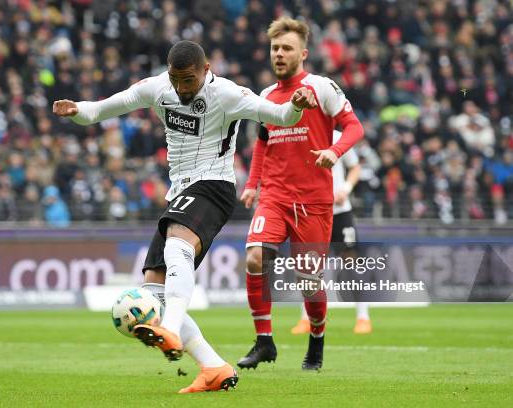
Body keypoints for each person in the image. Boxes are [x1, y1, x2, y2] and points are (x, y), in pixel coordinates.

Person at [53, 40, 317, 393]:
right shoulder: (159, 88)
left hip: (214, 185)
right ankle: (213, 367)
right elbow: (106, 108)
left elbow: (280, 116)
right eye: (176, 79)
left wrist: (296, 107)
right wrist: (79, 111)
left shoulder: (229, 94)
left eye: (188, 80)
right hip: (180, 192)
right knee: (153, 288)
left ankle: (172, 329)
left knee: (178, 245)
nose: (181, 88)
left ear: (206, 70)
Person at [237, 18, 364, 371]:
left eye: (286, 48)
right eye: (275, 48)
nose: (279, 54)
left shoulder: (322, 87)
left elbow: (355, 127)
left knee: (309, 282)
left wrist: (334, 152)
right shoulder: (265, 96)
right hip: (274, 196)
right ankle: (264, 341)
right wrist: (252, 184)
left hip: (314, 201)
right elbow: (263, 143)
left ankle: (317, 338)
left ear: (303, 54)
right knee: (254, 258)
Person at [290, 130, 372, 335]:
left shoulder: (338, 137)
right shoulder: (301, 135)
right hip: (312, 211)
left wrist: (345, 187)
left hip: (340, 212)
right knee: (309, 266)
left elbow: (354, 167)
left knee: (352, 262)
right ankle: (306, 318)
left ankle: (363, 317)